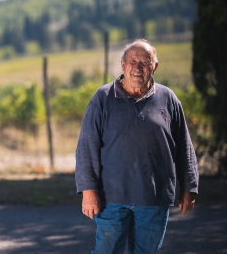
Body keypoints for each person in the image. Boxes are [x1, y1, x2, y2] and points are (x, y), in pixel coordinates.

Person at [75, 39, 199, 254]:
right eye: (133, 61)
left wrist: (189, 187)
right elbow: (87, 148)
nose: (138, 67)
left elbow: (184, 148)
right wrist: (88, 192)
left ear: (155, 67)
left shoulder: (168, 99)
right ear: (123, 65)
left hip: (153, 197)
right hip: (110, 197)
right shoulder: (102, 99)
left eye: (145, 62)